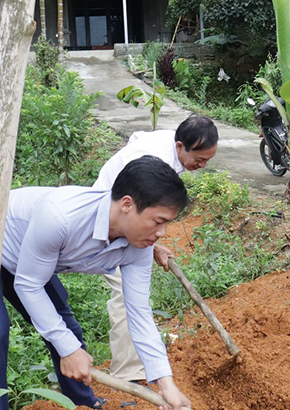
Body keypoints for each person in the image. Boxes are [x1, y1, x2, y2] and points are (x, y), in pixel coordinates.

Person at [0, 156, 193, 410]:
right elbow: (28, 285)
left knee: (68, 331)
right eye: (158, 222)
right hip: (7, 238)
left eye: (168, 223)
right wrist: (68, 350)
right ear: (127, 204)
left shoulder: (139, 246)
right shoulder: (60, 218)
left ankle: (83, 403)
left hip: (31, 260)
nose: (162, 234)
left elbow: (140, 315)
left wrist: (167, 385)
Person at [94, 116, 218, 382]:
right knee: (127, 298)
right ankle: (129, 375)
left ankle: (140, 366)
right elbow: (130, 210)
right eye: (201, 159)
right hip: (107, 226)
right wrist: (149, 244)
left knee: (135, 298)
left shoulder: (169, 147)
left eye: (208, 160)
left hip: (130, 225)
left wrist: (153, 245)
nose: (203, 165)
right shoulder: (150, 156)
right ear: (180, 146)